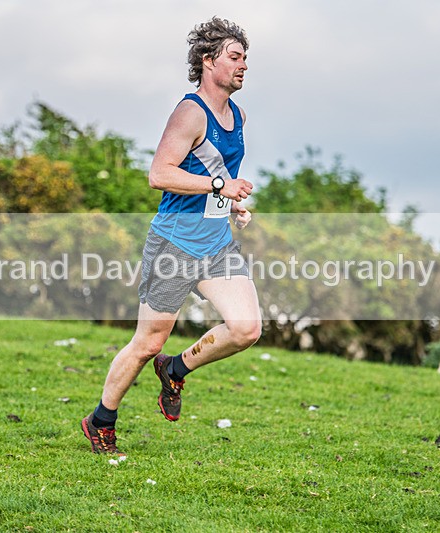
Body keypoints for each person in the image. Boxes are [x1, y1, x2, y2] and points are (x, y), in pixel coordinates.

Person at [81, 17, 261, 455]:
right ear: (207, 60)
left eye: (245, 59)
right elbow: (159, 174)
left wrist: (231, 204)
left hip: (215, 243)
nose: (243, 66)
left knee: (246, 328)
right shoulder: (189, 111)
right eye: (234, 58)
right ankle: (101, 419)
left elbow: (212, 173)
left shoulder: (235, 114)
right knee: (147, 342)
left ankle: (177, 369)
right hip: (174, 245)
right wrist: (222, 188)